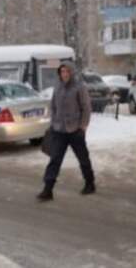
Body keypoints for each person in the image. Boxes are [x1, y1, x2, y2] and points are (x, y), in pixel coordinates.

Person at [37, 61, 95, 202]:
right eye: (62, 71)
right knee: (54, 160)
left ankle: (90, 183)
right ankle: (48, 189)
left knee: (83, 159)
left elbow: (86, 108)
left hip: (75, 130)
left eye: (67, 71)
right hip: (59, 130)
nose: (65, 74)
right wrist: (53, 123)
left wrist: (83, 127)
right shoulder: (57, 86)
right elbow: (53, 106)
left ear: (72, 72)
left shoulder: (79, 87)